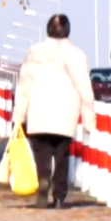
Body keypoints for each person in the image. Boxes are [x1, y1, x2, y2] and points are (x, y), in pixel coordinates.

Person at [12, 14, 96, 209]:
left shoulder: (34, 52)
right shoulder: (77, 55)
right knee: (62, 155)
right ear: (68, 31)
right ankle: (59, 197)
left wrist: (19, 117)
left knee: (41, 152)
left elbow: (24, 87)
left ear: (48, 29)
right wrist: (90, 120)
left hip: (39, 112)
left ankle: (43, 180)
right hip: (66, 114)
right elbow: (86, 90)